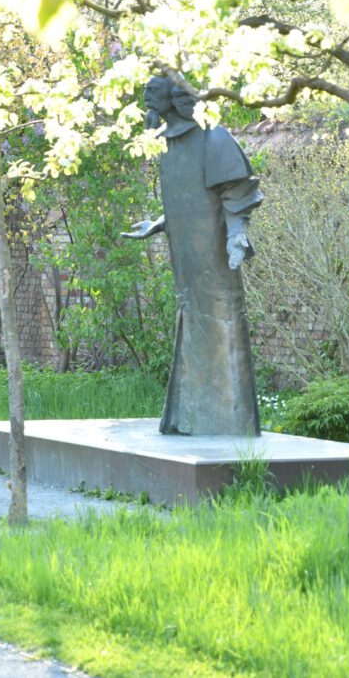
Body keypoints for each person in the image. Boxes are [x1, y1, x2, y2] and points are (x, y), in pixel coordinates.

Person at [123, 76, 263, 436]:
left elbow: (234, 193)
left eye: (151, 93)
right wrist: (158, 223)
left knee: (220, 322)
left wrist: (236, 236)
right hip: (186, 253)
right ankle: (191, 419)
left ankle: (227, 422)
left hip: (214, 254)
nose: (146, 99)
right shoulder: (171, 142)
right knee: (195, 324)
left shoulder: (213, 137)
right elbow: (192, 200)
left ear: (173, 98)